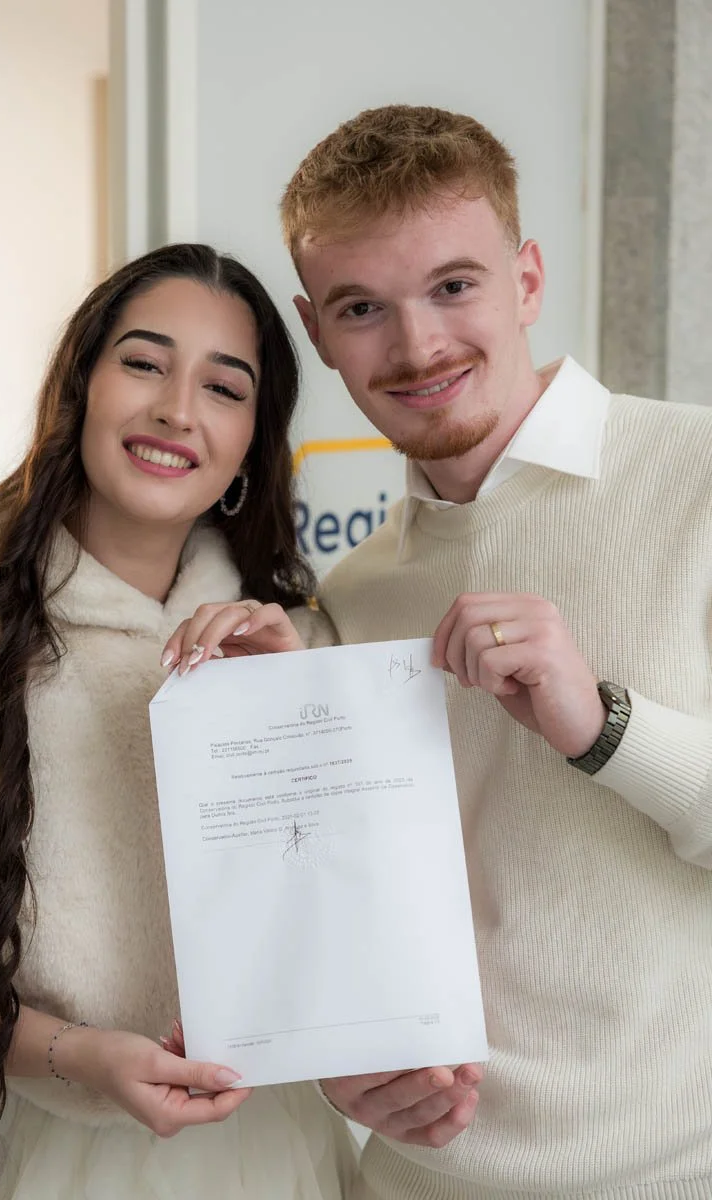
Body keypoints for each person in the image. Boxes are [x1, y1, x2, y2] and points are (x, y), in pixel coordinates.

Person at [172, 107, 712, 1199]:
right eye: (362, 308)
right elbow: (345, 927)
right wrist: (342, 1071)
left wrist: (600, 725)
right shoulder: (357, 594)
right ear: (313, 330)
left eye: (453, 287)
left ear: (525, 278)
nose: (416, 348)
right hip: (414, 1183)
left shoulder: (697, 478)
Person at [0, 243, 356, 1200]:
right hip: (43, 1158)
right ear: (80, 388)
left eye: (224, 388)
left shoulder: (301, 641)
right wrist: (75, 1055)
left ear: (251, 444)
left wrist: (292, 717)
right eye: (144, 363)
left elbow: (353, 928)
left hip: (280, 1153)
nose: (177, 410)